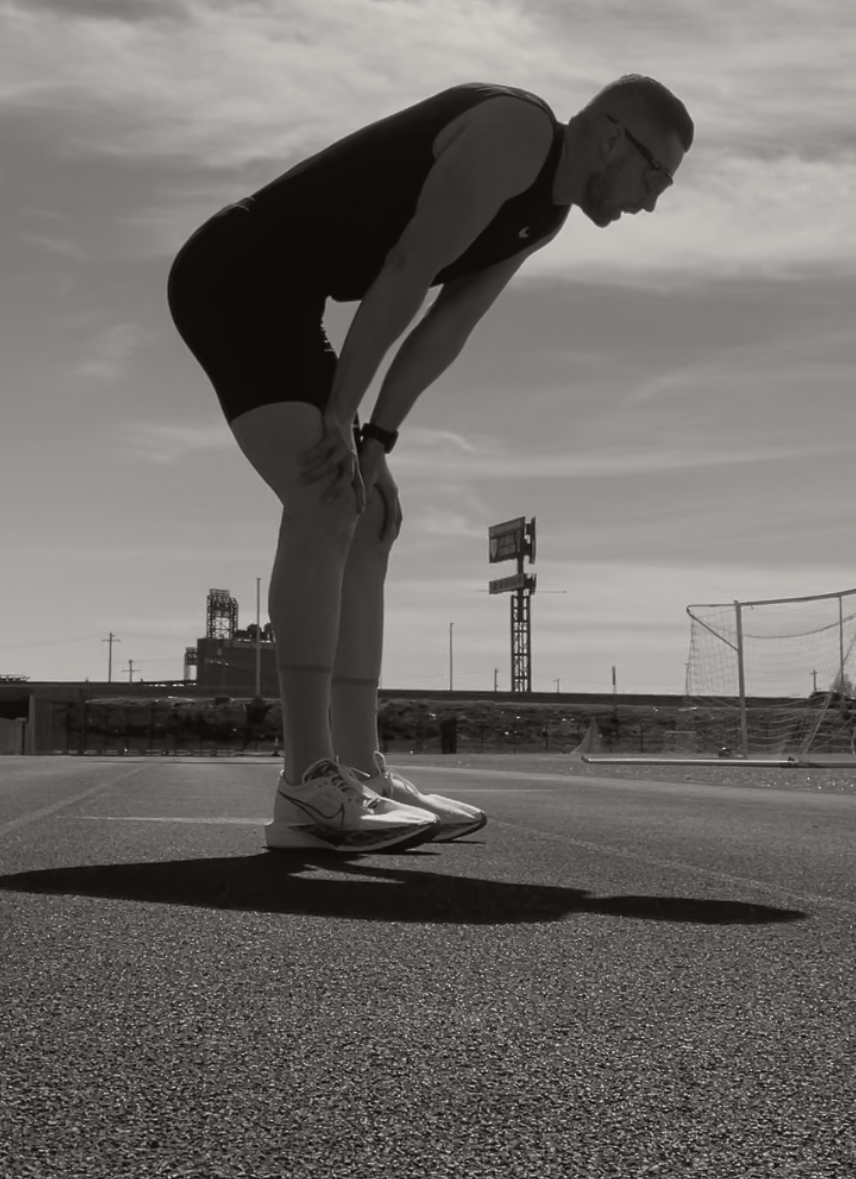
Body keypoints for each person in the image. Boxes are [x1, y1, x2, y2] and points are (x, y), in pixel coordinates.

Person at [167, 74, 692, 853]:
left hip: (293, 301)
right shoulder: (515, 132)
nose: (651, 201)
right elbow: (407, 271)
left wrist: (377, 438)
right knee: (326, 498)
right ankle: (306, 785)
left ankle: (357, 770)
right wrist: (340, 417)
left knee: (370, 516)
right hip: (236, 275)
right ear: (615, 138)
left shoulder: (543, 217)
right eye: (657, 177)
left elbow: (447, 329)